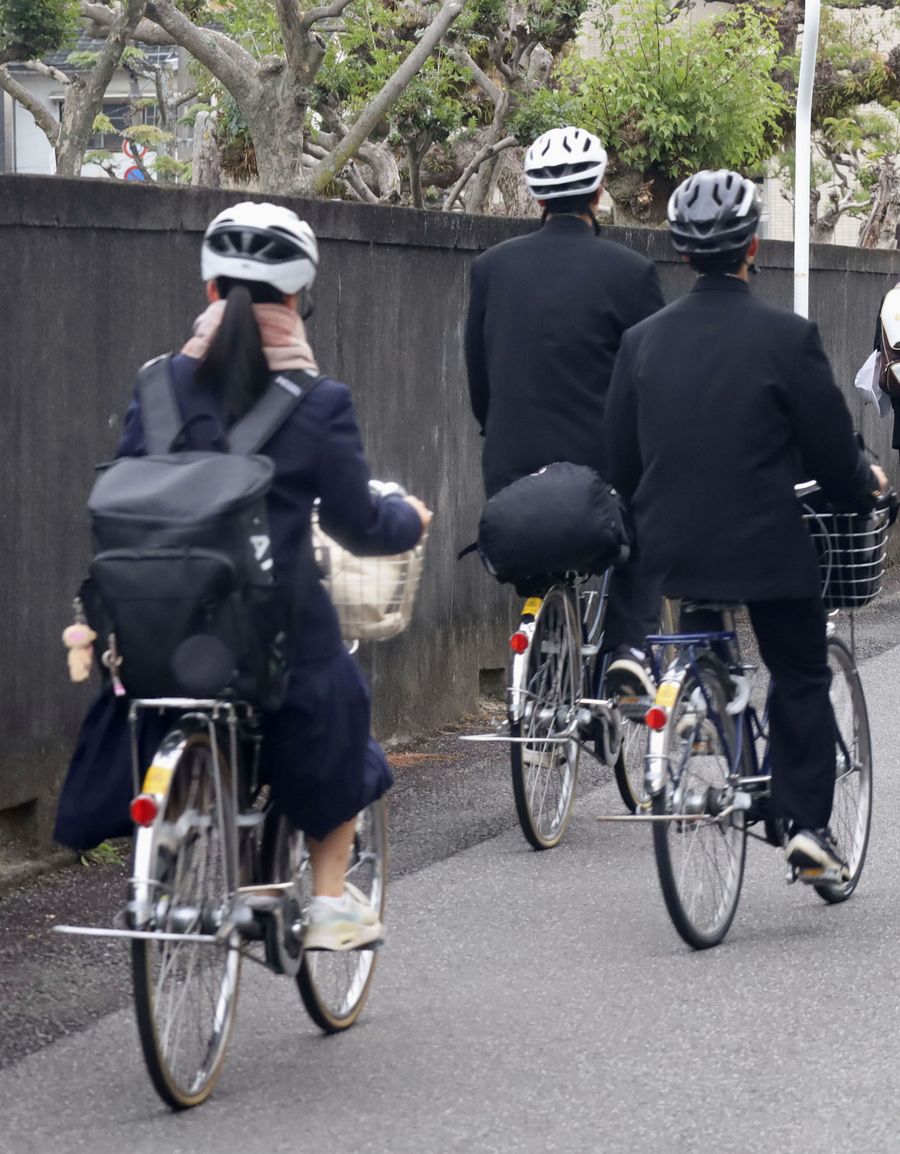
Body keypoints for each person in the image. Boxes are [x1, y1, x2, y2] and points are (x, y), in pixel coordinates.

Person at [79, 202, 431, 950]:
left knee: (171, 702)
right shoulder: (318, 402)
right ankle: (333, 902)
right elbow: (357, 523)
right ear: (300, 297)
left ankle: (170, 837)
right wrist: (411, 521)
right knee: (341, 717)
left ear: (210, 290)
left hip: (156, 631)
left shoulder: (154, 386)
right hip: (274, 640)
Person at [605, 169, 887, 877]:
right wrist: (862, 489)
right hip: (766, 545)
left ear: (681, 249)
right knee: (797, 668)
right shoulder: (786, 338)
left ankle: (708, 722)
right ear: (753, 246)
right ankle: (808, 828)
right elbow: (829, 448)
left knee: (705, 625)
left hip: (670, 544)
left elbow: (620, 456)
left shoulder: (641, 341)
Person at [464, 125, 666, 696]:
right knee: (645, 523)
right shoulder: (631, 272)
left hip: (512, 465)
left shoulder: (490, 269)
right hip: (601, 466)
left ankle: (548, 659)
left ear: (536, 195)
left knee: (539, 550)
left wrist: (495, 430)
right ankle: (628, 652)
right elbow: (648, 384)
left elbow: (480, 377)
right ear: (600, 189)